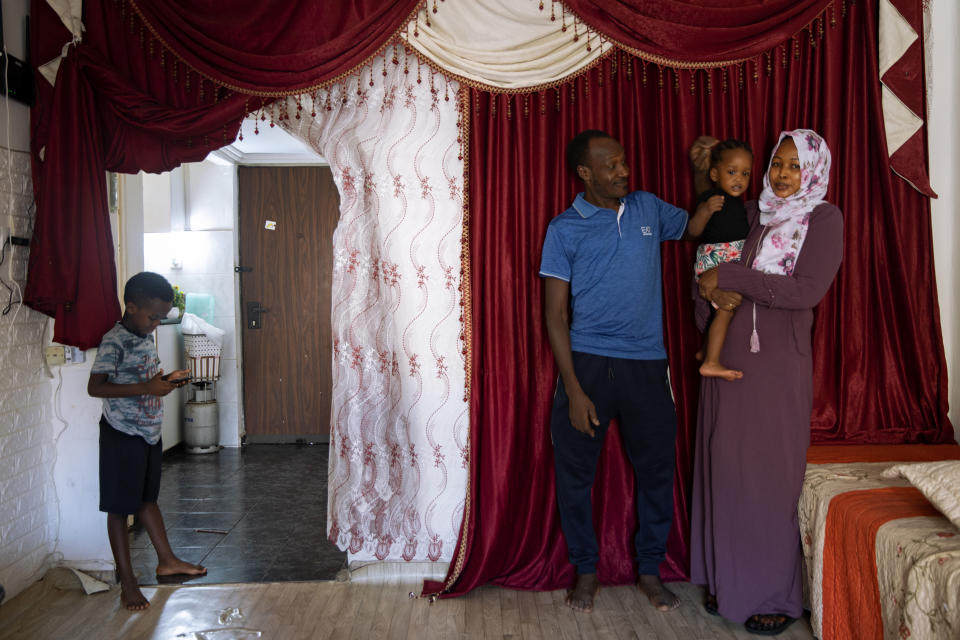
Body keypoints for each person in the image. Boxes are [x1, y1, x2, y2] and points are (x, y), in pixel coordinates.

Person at [539, 129, 716, 614]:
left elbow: (695, 228)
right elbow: (554, 315)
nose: (623, 171)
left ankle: (650, 570)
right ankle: (587, 570)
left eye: (624, 162)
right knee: (576, 476)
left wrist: (701, 171)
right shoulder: (563, 229)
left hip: (646, 365)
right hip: (589, 365)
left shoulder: (647, 208)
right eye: (612, 165)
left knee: (657, 472)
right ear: (585, 173)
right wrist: (573, 390)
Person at [688, 130, 843, 635]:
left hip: (776, 362)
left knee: (768, 477)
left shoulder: (823, 218)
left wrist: (730, 277)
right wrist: (705, 299)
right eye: (778, 163)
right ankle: (726, 579)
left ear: (813, 171)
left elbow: (805, 291)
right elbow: (711, 260)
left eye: (795, 167)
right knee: (726, 468)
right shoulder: (754, 214)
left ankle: (774, 592)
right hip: (728, 353)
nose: (782, 175)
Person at [88, 272, 206, 611]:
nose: (156, 323)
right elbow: (96, 388)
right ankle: (128, 582)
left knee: (146, 500)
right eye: (152, 316)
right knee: (119, 508)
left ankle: (167, 560)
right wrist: (147, 388)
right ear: (132, 306)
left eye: (161, 318)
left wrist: (166, 381)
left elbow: (145, 380)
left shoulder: (142, 335)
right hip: (122, 434)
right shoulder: (115, 340)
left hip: (149, 433)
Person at [689, 139, 753, 381]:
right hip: (717, 258)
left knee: (727, 310)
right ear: (715, 174)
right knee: (726, 308)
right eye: (732, 172)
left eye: (745, 173)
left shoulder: (735, 201)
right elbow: (695, 229)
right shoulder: (714, 198)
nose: (739, 178)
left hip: (727, 256)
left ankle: (706, 349)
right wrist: (705, 210)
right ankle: (711, 361)